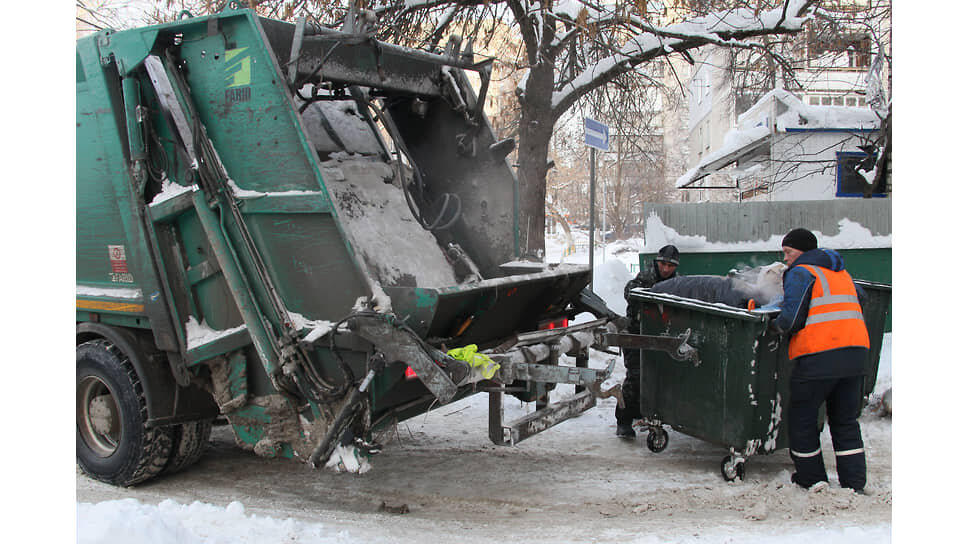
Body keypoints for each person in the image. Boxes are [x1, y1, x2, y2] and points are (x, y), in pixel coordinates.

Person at [772, 228, 869, 493]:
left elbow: (792, 319)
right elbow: (861, 298)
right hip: (856, 354)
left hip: (819, 356)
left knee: (802, 418)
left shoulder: (801, 272)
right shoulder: (840, 272)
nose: (786, 259)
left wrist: (776, 326)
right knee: (845, 421)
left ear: (802, 251)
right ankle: (854, 483)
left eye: (788, 252)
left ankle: (811, 478)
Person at [615, 244, 679, 439]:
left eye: (670, 266)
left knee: (656, 378)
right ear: (657, 262)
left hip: (659, 338)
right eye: (663, 264)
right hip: (636, 336)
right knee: (635, 378)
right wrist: (650, 294)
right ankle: (623, 421)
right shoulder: (644, 278)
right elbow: (629, 292)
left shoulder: (677, 282)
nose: (666, 269)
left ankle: (645, 412)